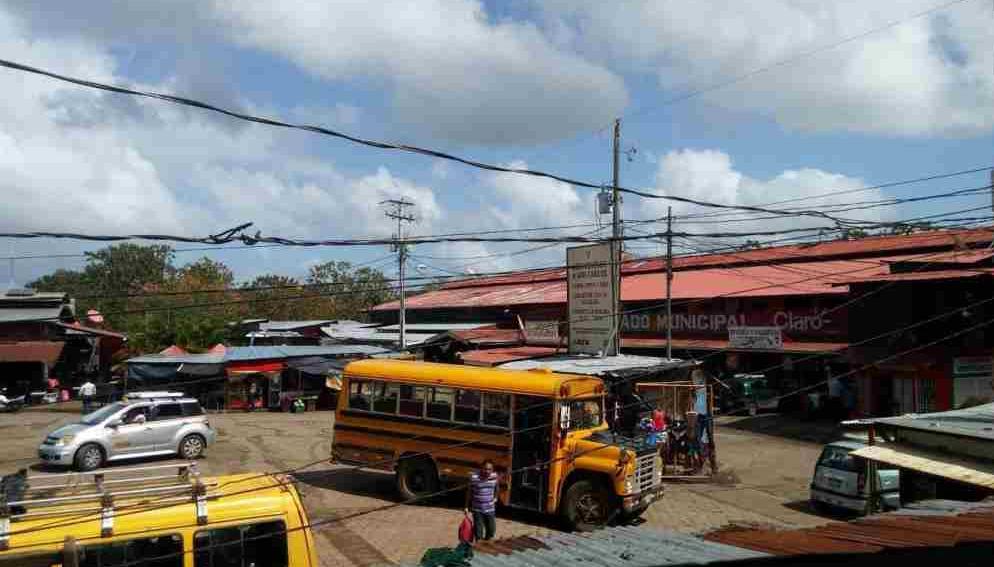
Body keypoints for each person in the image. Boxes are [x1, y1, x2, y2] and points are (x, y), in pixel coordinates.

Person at [464, 459, 498, 542]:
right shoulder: (474, 477)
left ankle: (487, 548)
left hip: (490, 509)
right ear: (481, 468)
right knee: (478, 533)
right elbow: (469, 492)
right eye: (485, 469)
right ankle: (479, 548)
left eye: (489, 469)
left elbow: (497, 487)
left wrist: (495, 498)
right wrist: (466, 506)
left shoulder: (494, 476)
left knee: (491, 531)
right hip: (477, 509)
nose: (487, 471)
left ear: (492, 470)